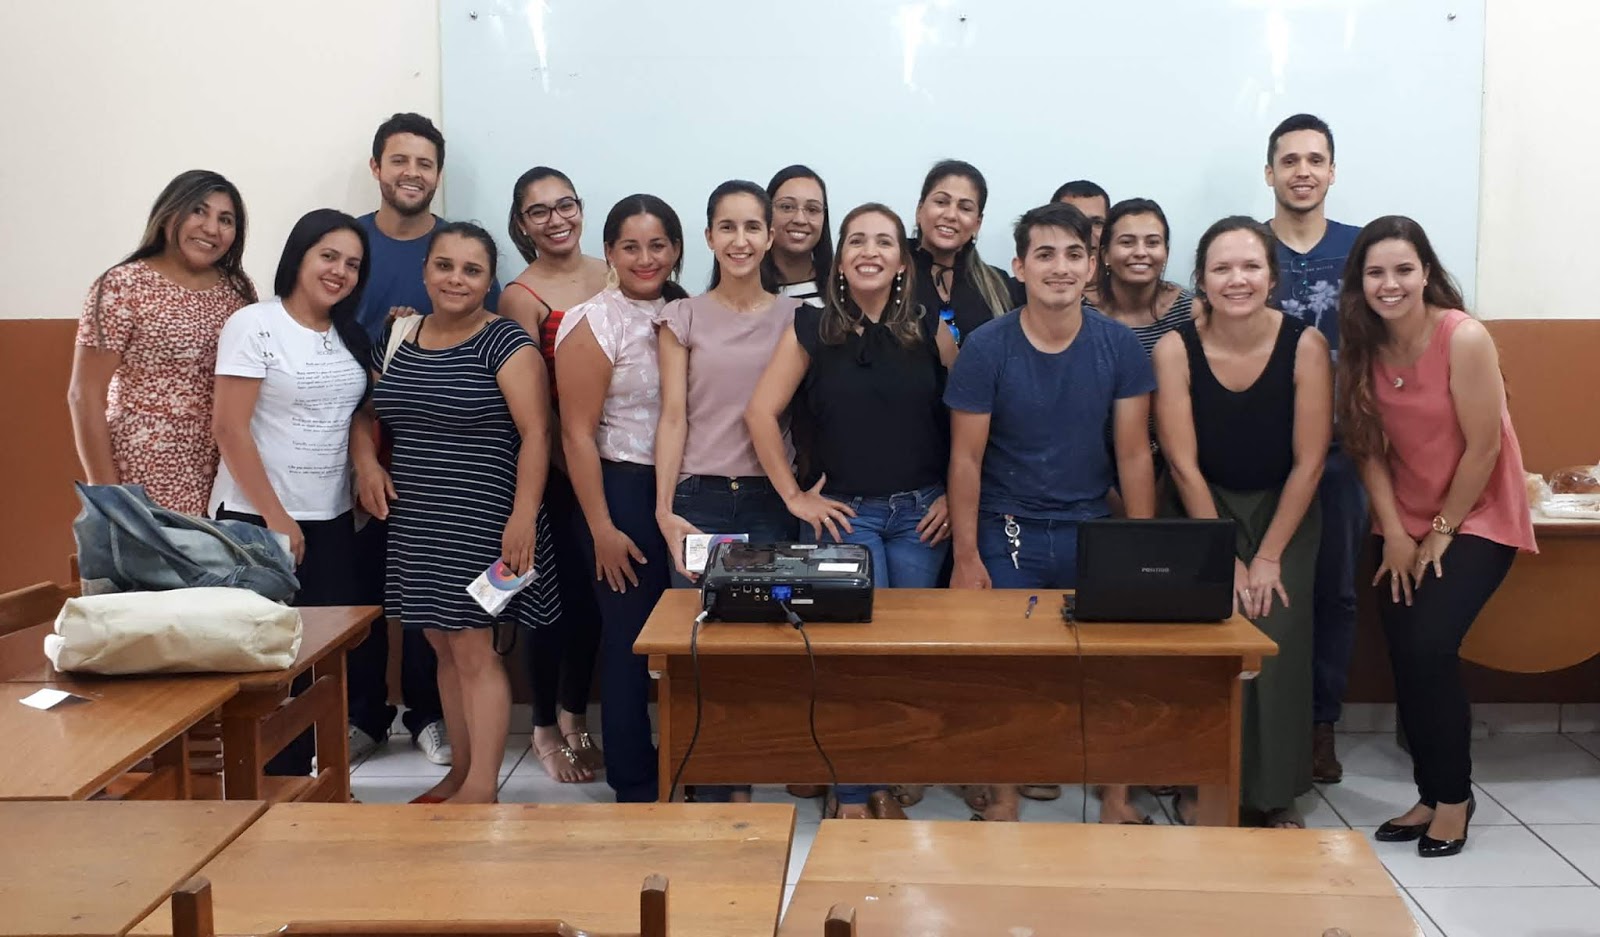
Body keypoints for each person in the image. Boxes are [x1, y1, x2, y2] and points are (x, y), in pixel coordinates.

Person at [945, 202, 1157, 825]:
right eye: (1045, 254)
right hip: (1006, 528)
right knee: (1009, 669)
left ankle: (1117, 800)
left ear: (1091, 266)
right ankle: (1003, 799)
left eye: (1073, 255)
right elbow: (965, 459)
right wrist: (965, 556)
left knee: (1116, 670)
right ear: (1019, 267)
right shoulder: (987, 347)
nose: (1060, 268)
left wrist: (1142, 551)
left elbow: (1133, 455)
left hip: (1094, 529)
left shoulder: (1119, 345)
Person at [747, 202, 957, 820]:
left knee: (903, 656)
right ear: (839, 259)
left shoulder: (930, 328)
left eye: (884, 242)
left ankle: (886, 775)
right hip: (847, 517)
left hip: (921, 516)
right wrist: (794, 496)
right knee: (852, 655)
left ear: (902, 261)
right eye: (857, 241)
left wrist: (953, 493)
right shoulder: (810, 327)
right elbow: (760, 413)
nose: (870, 251)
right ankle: (856, 794)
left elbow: (965, 420)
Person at [1338, 216, 1536, 858]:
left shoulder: (1463, 336)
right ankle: (1430, 793)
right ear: (1359, 281)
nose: (1389, 284)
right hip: (1402, 519)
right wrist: (1396, 532)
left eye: (1403, 269)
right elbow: (1366, 447)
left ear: (1426, 272)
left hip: (1476, 516)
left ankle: (1454, 800)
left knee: (1429, 646)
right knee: (1405, 654)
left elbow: (1484, 448)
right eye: (1375, 272)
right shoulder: (1362, 341)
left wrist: (1442, 533)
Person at [353, 222, 560, 804]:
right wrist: (366, 465)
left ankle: (481, 789)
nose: (456, 279)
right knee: (441, 646)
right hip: (419, 520)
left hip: (488, 521)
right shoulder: (399, 334)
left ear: (489, 281)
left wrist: (523, 519)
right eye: (444, 265)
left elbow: (537, 435)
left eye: (472, 270)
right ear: (425, 271)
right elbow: (367, 413)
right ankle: (460, 774)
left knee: (473, 648)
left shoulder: (505, 343)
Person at [1152, 216, 1331, 828]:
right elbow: (1181, 463)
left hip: (1286, 509)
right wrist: (1221, 554)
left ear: (1272, 277)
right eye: (1221, 268)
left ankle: (1274, 794)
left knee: (1274, 634)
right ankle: (1200, 782)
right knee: (1208, 640)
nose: (1237, 279)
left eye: (1251, 266)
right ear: (1200, 280)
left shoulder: (1305, 345)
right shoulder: (1174, 348)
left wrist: (1268, 556)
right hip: (1201, 507)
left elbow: (1310, 462)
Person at [349, 113, 495, 766]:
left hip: (445, 463)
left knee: (435, 601)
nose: (412, 173)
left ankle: (432, 713)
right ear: (376, 167)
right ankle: (363, 714)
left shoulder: (457, 246)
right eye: (399, 160)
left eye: (425, 163)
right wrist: (362, 457)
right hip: (355, 443)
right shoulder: (347, 242)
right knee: (366, 587)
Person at [210, 209, 372, 777]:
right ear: (299, 256)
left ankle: (315, 785)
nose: (340, 271)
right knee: (265, 664)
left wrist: (364, 464)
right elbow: (229, 429)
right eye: (328, 256)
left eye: (353, 264)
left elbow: (357, 410)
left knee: (320, 660)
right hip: (257, 519)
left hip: (331, 517)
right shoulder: (255, 324)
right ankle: (270, 789)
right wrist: (277, 518)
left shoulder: (349, 334)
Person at [655, 181, 802, 803]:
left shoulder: (797, 317)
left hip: (770, 499)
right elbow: (673, 417)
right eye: (727, 227)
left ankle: (742, 777)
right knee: (701, 647)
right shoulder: (682, 316)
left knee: (757, 648)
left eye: (752, 227)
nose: (740, 240)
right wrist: (664, 509)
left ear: (769, 238)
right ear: (709, 237)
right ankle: (714, 788)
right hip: (701, 499)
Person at [555, 194, 688, 803]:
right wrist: (602, 529)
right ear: (608, 252)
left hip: (686, 490)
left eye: (657, 245)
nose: (645, 258)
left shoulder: (688, 312)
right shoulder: (594, 321)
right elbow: (576, 435)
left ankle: (691, 762)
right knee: (631, 637)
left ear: (677, 249)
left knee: (688, 636)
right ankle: (634, 780)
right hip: (621, 490)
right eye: (630, 247)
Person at [1264, 113, 1366, 784]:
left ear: (1332, 171)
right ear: (1269, 172)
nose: (1302, 171)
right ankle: (1260, 723)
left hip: (1342, 454)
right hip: (1262, 455)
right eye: (1289, 160)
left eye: (1315, 159)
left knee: (1335, 592)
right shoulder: (1246, 248)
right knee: (1265, 589)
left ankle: (1319, 724)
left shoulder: (1363, 250)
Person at [501, 166, 609, 783]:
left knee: (596, 603)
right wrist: (577, 466)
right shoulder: (520, 296)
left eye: (565, 205)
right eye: (538, 211)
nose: (556, 219)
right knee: (550, 604)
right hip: (558, 473)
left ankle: (575, 715)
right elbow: (533, 407)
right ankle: (542, 726)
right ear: (522, 224)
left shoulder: (614, 271)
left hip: (614, 463)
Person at [69, 170, 256, 516]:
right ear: (170, 212)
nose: (211, 228)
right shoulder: (122, 285)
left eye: (226, 219)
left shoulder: (238, 290)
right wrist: (109, 498)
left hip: (219, 471)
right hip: (140, 471)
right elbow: (84, 395)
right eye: (199, 211)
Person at [911, 159, 1024, 346]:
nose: (951, 215)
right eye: (941, 202)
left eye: (965, 208)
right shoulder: (891, 273)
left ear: (977, 223)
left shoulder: (998, 285)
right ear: (919, 210)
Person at [765, 165, 833, 307]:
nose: (800, 219)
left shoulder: (842, 292)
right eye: (787, 207)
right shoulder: (744, 288)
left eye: (812, 209)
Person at [1051, 179, 1110, 306]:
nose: (1087, 232)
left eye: (1097, 223)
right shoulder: (1022, 291)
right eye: (1074, 221)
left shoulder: (1128, 290)